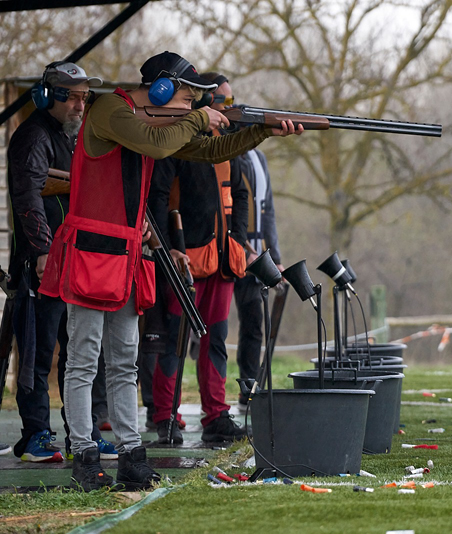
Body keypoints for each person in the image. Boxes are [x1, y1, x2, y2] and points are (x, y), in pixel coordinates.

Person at [38, 51, 303, 491]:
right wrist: (201, 118)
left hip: (124, 256)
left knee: (123, 362)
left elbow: (211, 151)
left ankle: (130, 455)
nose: (190, 106)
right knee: (83, 360)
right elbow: (158, 143)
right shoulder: (111, 110)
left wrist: (259, 131)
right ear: (160, 89)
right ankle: (84, 454)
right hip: (91, 251)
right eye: (186, 96)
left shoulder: (151, 120)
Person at [6, 61, 116, 463]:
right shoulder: (33, 137)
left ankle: (80, 435)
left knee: (79, 354)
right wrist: (41, 251)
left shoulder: (75, 138)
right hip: (44, 263)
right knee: (37, 351)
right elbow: (29, 198)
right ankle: (36, 435)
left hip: (75, 261)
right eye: (71, 96)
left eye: (84, 97)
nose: (79, 105)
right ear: (47, 96)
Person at [147, 72, 254, 444]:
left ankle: (216, 414)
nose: (227, 107)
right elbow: (156, 198)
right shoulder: (176, 141)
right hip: (183, 260)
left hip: (224, 259)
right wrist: (166, 246)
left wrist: (239, 241)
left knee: (218, 340)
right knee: (174, 339)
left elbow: (241, 196)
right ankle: (164, 415)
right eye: (220, 101)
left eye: (229, 100)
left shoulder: (227, 143)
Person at [233, 143, 282, 406]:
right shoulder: (228, 154)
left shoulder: (259, 158)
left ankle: (248, 388)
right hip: (227, 250)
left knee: (253, 323)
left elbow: (268, 211)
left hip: (255, 257)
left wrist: (275, 257)